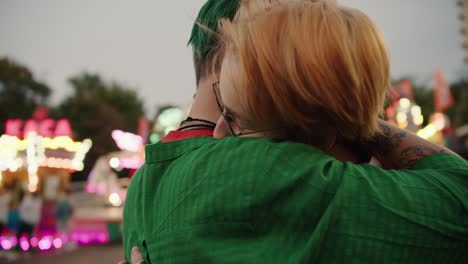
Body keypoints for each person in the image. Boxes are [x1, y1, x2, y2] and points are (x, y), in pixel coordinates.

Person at [123, 1, 468, 263]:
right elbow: (458, 198)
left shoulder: (143, 184)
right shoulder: (274, 172)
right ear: (231, 44)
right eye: (280, 29)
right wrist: (350, 116)